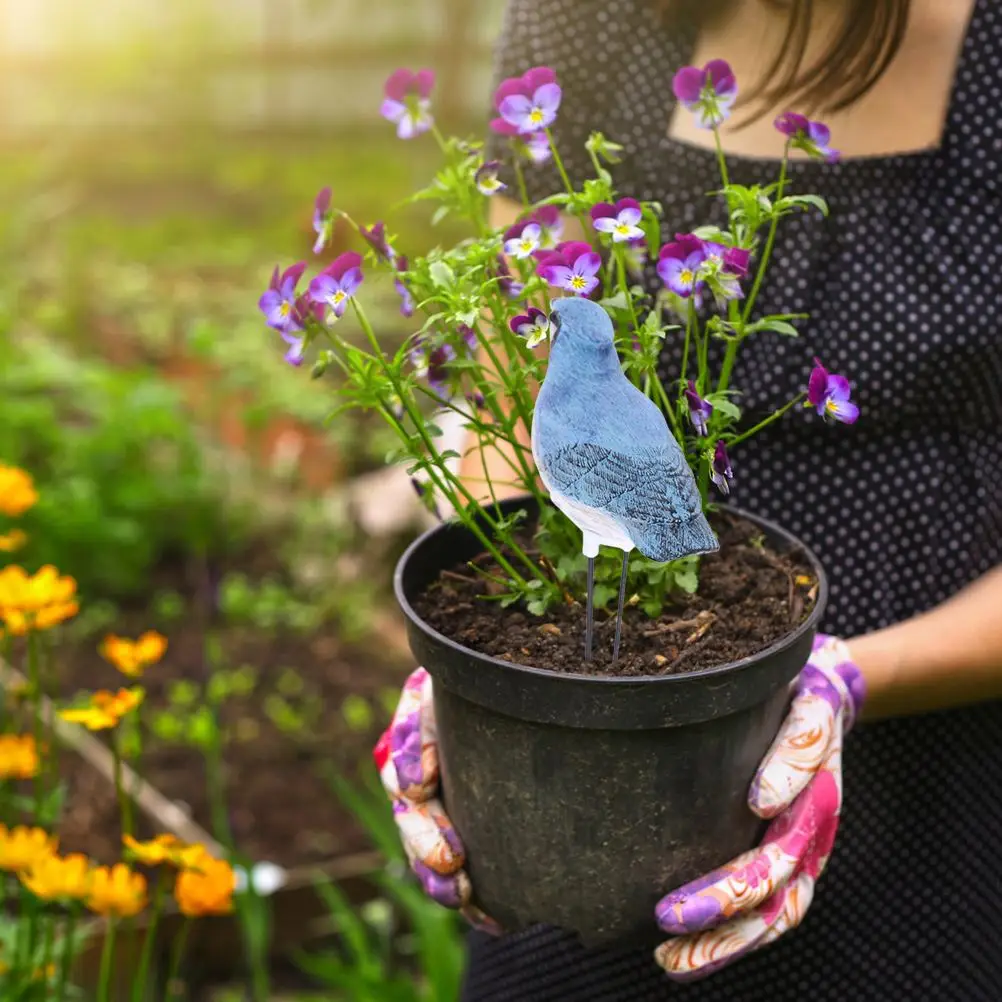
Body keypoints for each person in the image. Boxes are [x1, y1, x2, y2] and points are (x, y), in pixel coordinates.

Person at [376, 0, 1002, 998]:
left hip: (941, 756)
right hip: (593, 745)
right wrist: (471, 672)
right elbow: (515, 381)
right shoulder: (587, 18)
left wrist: (835, 680)